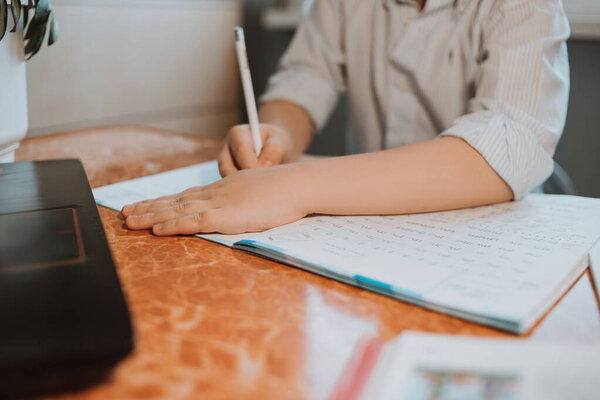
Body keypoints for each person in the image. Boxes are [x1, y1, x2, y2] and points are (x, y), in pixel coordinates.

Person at [122, 0, 570, 236]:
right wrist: (276, 134)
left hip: (495, 229)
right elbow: (304, 78)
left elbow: (510, 143)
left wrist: (291, 185)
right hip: (369, 224)